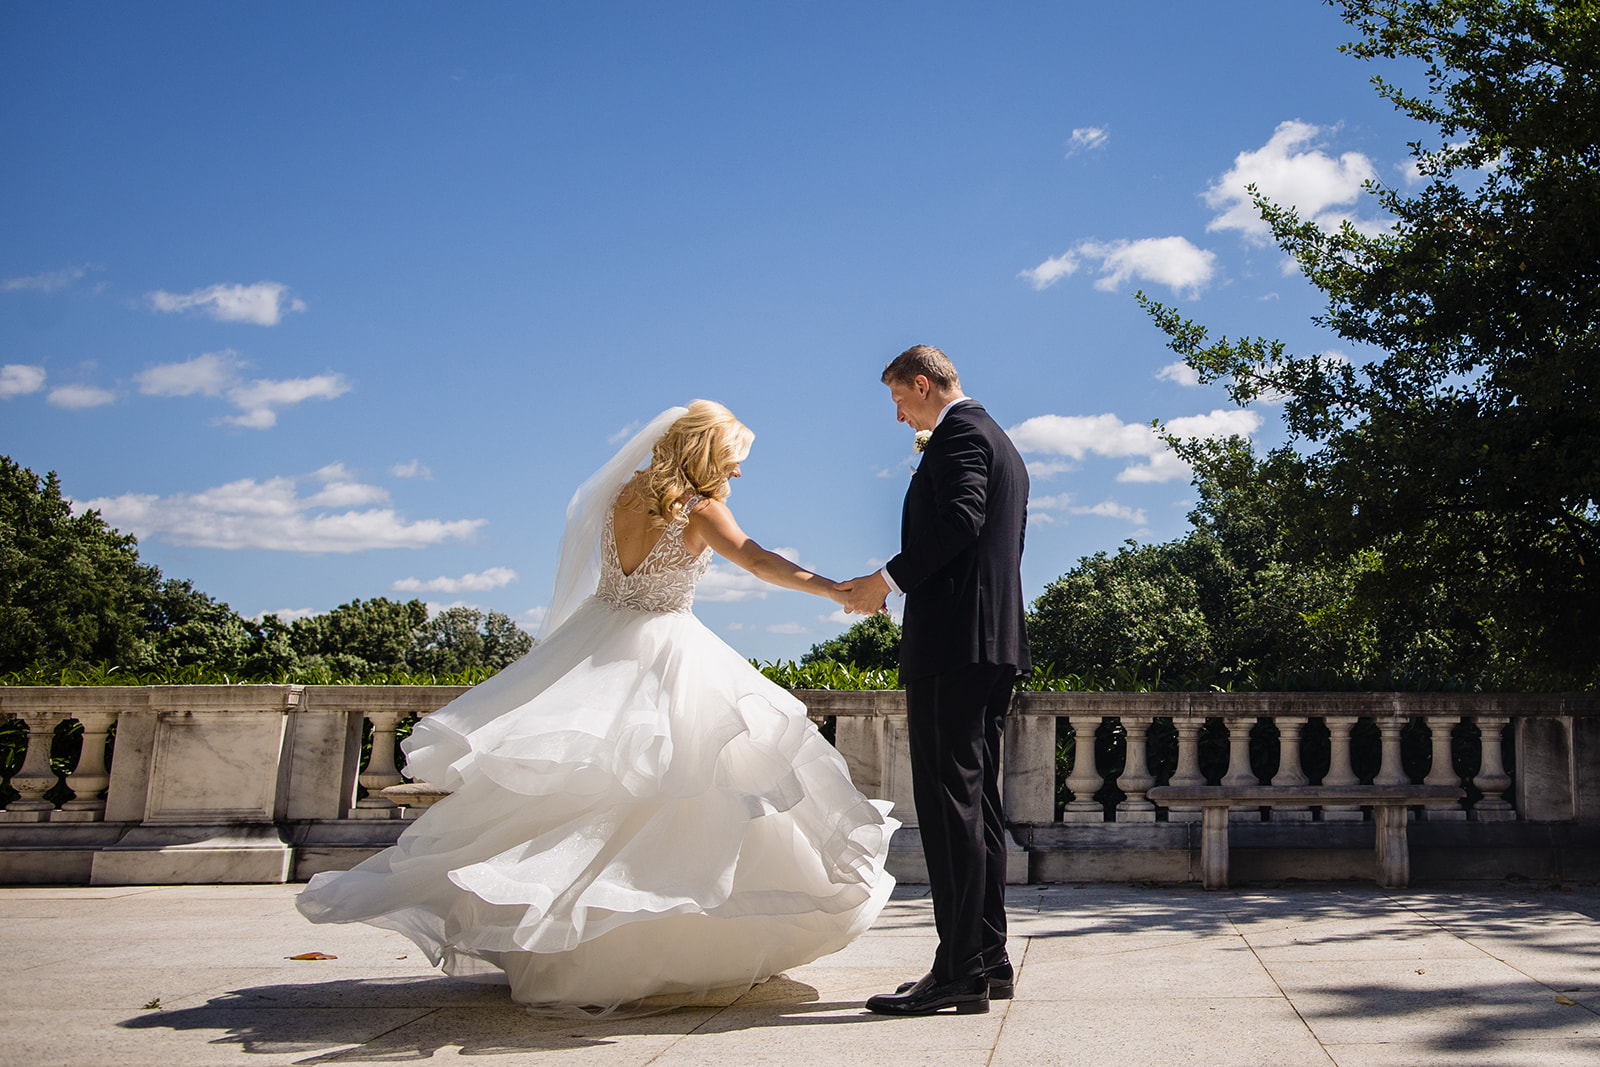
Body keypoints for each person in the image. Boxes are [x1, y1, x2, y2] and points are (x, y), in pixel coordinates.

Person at [297, 401, 899, 1013]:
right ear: (704, 453)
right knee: (674, 797)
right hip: (666, 648)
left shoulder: (623, 495)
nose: (738, 474)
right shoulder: (698, 508)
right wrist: (832, 588)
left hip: (594, 644)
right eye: (734, 459)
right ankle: (653, 953)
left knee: (589, 804)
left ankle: (572, 950)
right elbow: (756, 558)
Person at [841, 345, 1029, 1016]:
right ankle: (987, 958)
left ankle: (957, 972)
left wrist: (884, 580)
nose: (899, 417)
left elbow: (960, 520)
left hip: (954, 646)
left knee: (952, 810)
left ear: (923, 385)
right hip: (989, 643)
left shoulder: (961, 437)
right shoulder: (998, 439)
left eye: (899, 401)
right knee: (977, 809)